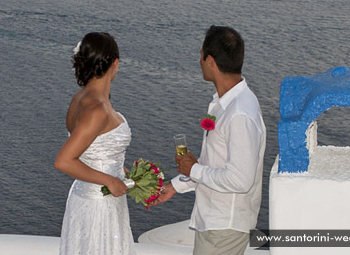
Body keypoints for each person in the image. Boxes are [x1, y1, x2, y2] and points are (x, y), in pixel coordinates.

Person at [152, 25, 266, 255]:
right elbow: (219, 167)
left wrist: (193, 169)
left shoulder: (239, 113)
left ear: (210, 60)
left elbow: (240, 180)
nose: (199, 60)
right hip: (218, 224)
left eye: (201, 55)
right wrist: (175, 186)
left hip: (224, 226)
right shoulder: (229, 104)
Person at [54, 32, 136, 255]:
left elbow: (92, 151)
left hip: (89, 196)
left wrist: (124, 173)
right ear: (115, 63)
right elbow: (64, 161)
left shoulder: (79, 100)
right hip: (99, 204)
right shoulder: (97, 108)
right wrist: (109, 179)